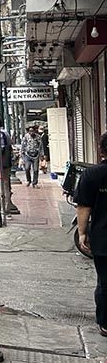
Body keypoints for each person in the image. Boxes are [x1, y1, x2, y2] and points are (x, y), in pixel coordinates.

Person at [75, 132, 107, 337]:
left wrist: (82, 233)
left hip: (103, 238)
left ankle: (105, 323)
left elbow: (83, 207)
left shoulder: (92, 175)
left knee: (105, 281)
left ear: (101, 151)